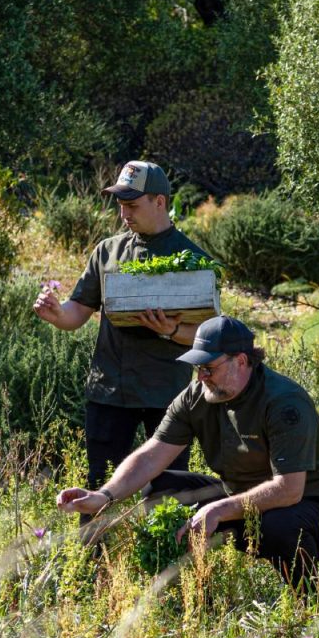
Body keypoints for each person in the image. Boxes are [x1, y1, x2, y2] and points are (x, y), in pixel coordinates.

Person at [56, 316, 319, 588]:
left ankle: (308, 599)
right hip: (240, 500)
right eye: (198, 368)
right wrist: (104, 496)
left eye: (208, 368)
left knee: (277, 526)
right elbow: (150, 457)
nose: (201, 377)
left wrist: (219, 510)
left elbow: (289, 490)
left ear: (241, 361)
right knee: (161, 489)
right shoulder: (197, 397)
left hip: (314, 510)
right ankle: (191, 593)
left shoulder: (284, 402)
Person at [33, 161, 211, 501]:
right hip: (109, 391)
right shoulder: (107, 251)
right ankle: (97, 539)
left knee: (168, 493)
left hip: (166, 394)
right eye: (120, 204)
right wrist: (56, 313)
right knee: (98, 485)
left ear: (160, 202)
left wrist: (172, 329)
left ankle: (164, 540)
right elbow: (77, 312)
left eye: (132, 205)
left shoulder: (192, 258)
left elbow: (206, 335)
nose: (123, 213)